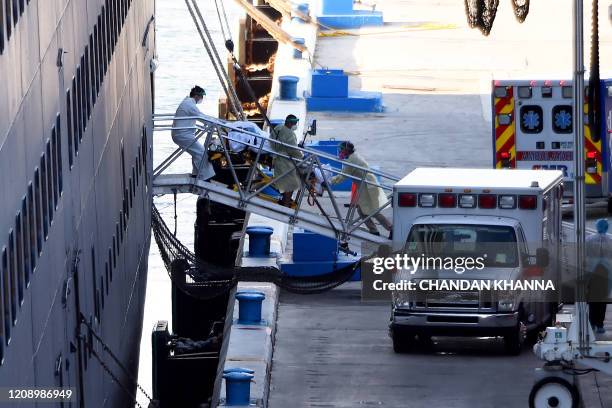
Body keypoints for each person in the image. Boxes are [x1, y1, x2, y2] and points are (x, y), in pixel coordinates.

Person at [329, 142, 392, 237]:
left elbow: (343, 176)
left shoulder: (351, 160)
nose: (340, 152)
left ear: (346, 150)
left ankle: (391, 228)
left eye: (341, 150)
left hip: (368, 186)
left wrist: (329, 181)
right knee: (363, 210)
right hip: (366, 186)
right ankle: (374, 230)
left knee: (372, 211)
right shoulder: (353, 157)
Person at [171, 86, 215, 181]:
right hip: (183, 135)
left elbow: (202, 116)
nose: (201, 99)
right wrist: (215, 124)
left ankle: (196, 174)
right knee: (201, 152)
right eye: (201, 96)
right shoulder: (189, 105)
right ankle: (204, 177)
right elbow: (201, 117)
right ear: (196, 96)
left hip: (182, 134)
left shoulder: (188, 103)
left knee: (196, 152)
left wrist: (214, 121)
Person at [270, 115, 303, 207]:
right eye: (294, 124)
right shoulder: (290, 134)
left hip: (276, 158)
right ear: (289, 123)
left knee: (287, 183)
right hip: (285, 161)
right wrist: (301, 157)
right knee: (291, 184)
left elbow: (271, 139)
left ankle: (285, 200)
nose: (295, 126)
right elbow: (293, 150)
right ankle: (286, 204)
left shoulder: (278, 127)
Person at [586, 218, 612, 334]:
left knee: (592, 299)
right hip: (606, 272)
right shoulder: (610, 239)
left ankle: (592, 322)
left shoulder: (589, 239)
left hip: (592, 271)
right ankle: (600, 324)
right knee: (602, 299)